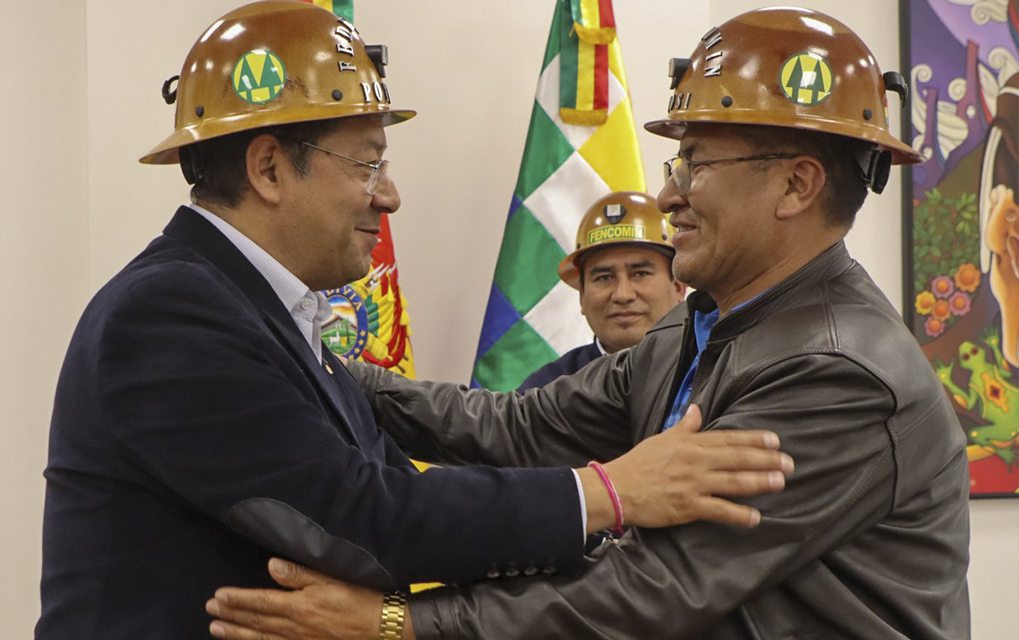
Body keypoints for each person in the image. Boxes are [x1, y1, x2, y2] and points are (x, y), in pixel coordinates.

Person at [206, 7, 971, 640]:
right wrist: (314, 363)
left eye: (694, 163)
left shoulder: (837, 372)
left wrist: (399, 623)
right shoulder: (698, 327)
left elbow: (657, 591)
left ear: (797, 185)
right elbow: (518, 427)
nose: (668, 196)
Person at [34, 2, 792, 638]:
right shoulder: (170, 314)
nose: (388, 196)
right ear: (268, 169)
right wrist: (611, 493)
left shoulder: (253, 306)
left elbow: (399, 484)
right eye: (368, 163)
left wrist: (401, 619)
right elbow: (366, 515)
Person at [518, 192, 685, 391]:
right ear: (581, 296)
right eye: (604, 277)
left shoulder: (709, 374)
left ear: (678, 288)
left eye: (640, 273)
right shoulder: (546, 390)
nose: (622, 295)